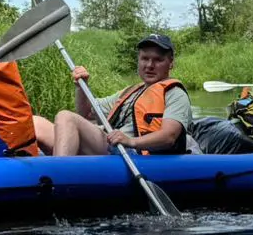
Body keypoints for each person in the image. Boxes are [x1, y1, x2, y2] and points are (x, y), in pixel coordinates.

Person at [48, 32, 194, 156]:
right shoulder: (131, 92)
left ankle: (58, 178)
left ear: (171, 63)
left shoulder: (175, 94)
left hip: (130, 154)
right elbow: (86, 114)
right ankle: (51, 171)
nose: (149, 65)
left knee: (66, 116)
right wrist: (81, 87)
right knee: (38, 123)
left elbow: (169, 136)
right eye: (145, 59)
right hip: (112, 145)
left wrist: (131, 141)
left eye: (158, 60)